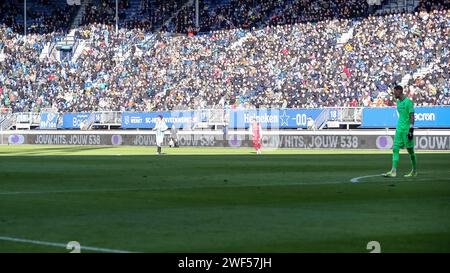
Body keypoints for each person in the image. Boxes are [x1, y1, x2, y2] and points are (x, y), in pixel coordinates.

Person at [383, 85, 417, 177]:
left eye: (395, 91)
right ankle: (393, 171)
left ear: (400, 91)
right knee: (395, 149)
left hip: (406, 129)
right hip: (399, 129)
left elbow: (412, 116)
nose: (394, 93)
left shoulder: (408, 102)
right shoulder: (398, 102)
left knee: (410, 150)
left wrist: (411, 130)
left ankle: (414, 171)